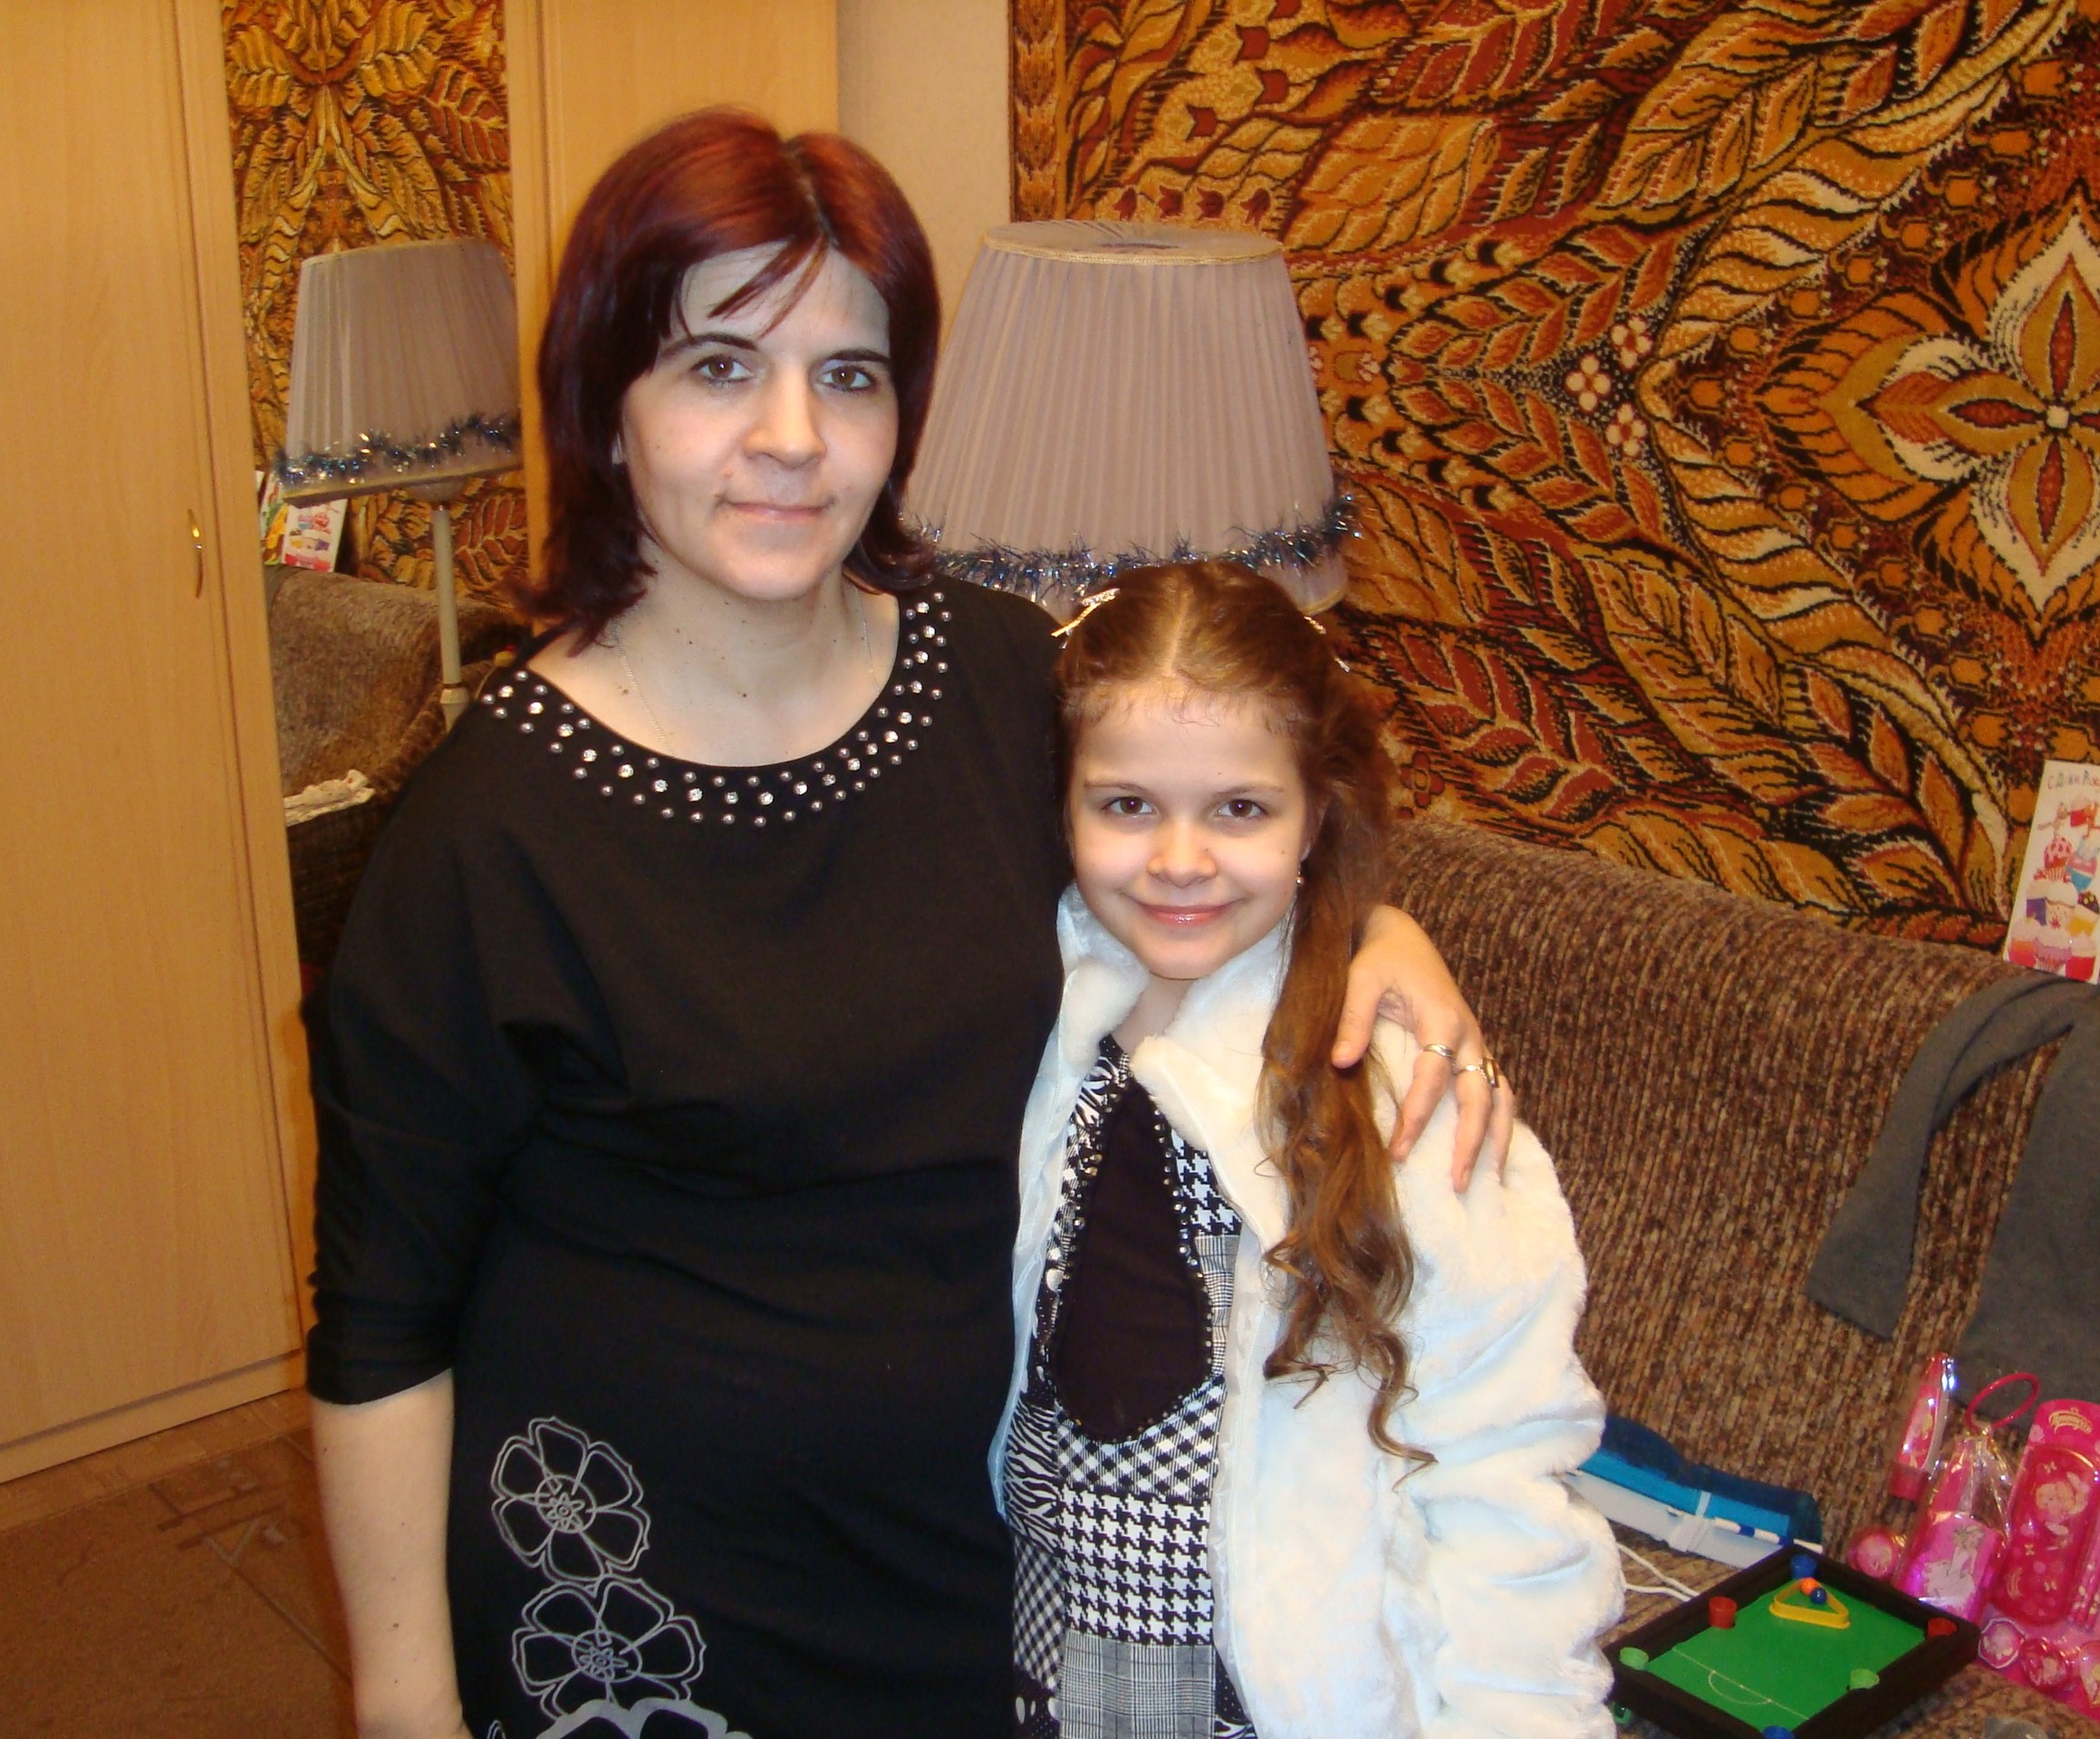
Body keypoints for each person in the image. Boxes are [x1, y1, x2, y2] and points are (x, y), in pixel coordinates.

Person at [306, 110, 1511, 1739]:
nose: (793, 437)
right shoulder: (486, 831)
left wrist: (1371, 936)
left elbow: (1195, 854)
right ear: (605, 407)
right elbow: (382, 1324)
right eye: (719, 367)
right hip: (642, 1594)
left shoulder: (1002, 681)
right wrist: (405, 1705)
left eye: (850, 375)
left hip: (981, 1552)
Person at [997, 560, 1618, 1736]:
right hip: (1045, 1674)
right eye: (1126, 806)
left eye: (1241, 809)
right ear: (1062, 806)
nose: (1181, 860)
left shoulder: (1402, 1089)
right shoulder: (1024, 1008)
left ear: (1315, 815)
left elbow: (1499, 1467)